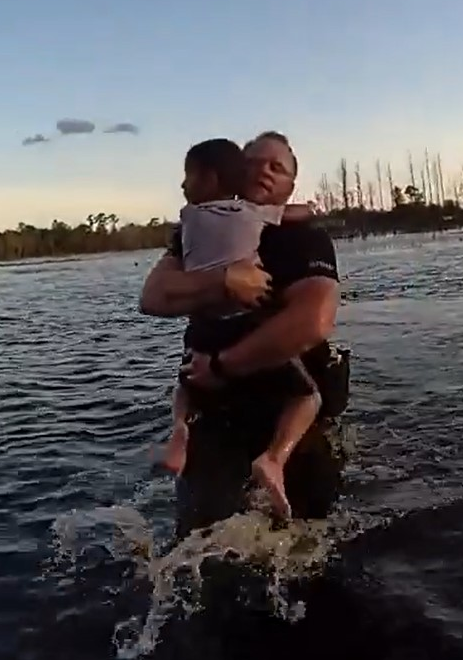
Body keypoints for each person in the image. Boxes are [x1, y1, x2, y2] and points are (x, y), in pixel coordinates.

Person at [139, 131, 344, 534]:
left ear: (289, 185)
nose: (264, 172)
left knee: (307, 537)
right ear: (233, 172)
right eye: (253, 162)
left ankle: (272, 459)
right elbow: (153, 297)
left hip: (270, 391)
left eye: (277, 167)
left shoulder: (306, 238)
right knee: (200, 536)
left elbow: (313, 321)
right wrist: (225, 279)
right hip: (217, 406)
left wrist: (223, 365)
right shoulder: (191, 232)